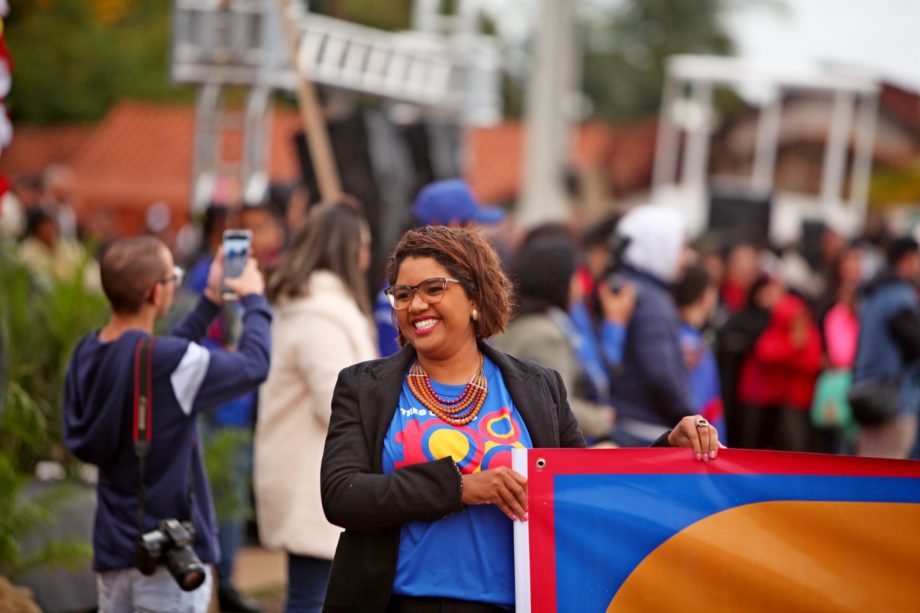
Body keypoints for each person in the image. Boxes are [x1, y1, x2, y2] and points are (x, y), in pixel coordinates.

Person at [319, 225, 722, 611]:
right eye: (403, 294)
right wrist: (459, 487)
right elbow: (342, 495)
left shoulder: (537, 386)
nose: (416, 305)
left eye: (433, 289)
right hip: (395, 602)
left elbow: (581, 491)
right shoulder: (364, 387)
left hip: (514, 602)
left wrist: (667, 449)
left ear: (475, 296)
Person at [61, 236, 271, 612]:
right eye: (173, 275)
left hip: (113, 552)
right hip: (167, 559)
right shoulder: (164, 362)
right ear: (157, 294)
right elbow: (255, 364)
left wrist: (208, 300)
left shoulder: (88, 352)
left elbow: (148, 365)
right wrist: (254, 298)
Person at [254, 202, 378, 612]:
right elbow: (337, 403)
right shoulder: (321, 316)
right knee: (313, 600)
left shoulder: (313, 306)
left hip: (313, 478)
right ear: (345, 250)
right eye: (362, 246)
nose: (366, 258)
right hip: (314, 483)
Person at [494, 238, 617, 442]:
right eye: (576, 277)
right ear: (559, 282)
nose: (581, 287)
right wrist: (601, 419)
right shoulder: (545, 334)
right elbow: (554, 406)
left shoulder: (520, 322)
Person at [374, 178, 505, 357]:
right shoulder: (396, 292)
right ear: (452, 226)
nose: (479, 233)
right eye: (471, 223)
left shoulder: (464, 277)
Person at [606, 205, 695, 446]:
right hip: (642, 427)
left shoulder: (630, 286)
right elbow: (661, 372)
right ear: (658, 245)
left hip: (628, 419)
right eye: (682, 247)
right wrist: (691, 413)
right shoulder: (652, 301)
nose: (687, 258)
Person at [850, 236, 920, 458]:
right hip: (892, 400)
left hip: (866, 393)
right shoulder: (898, 296)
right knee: (886, 474)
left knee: (868, 468)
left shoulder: (873, 293)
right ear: (907, 259)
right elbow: (914, 342)